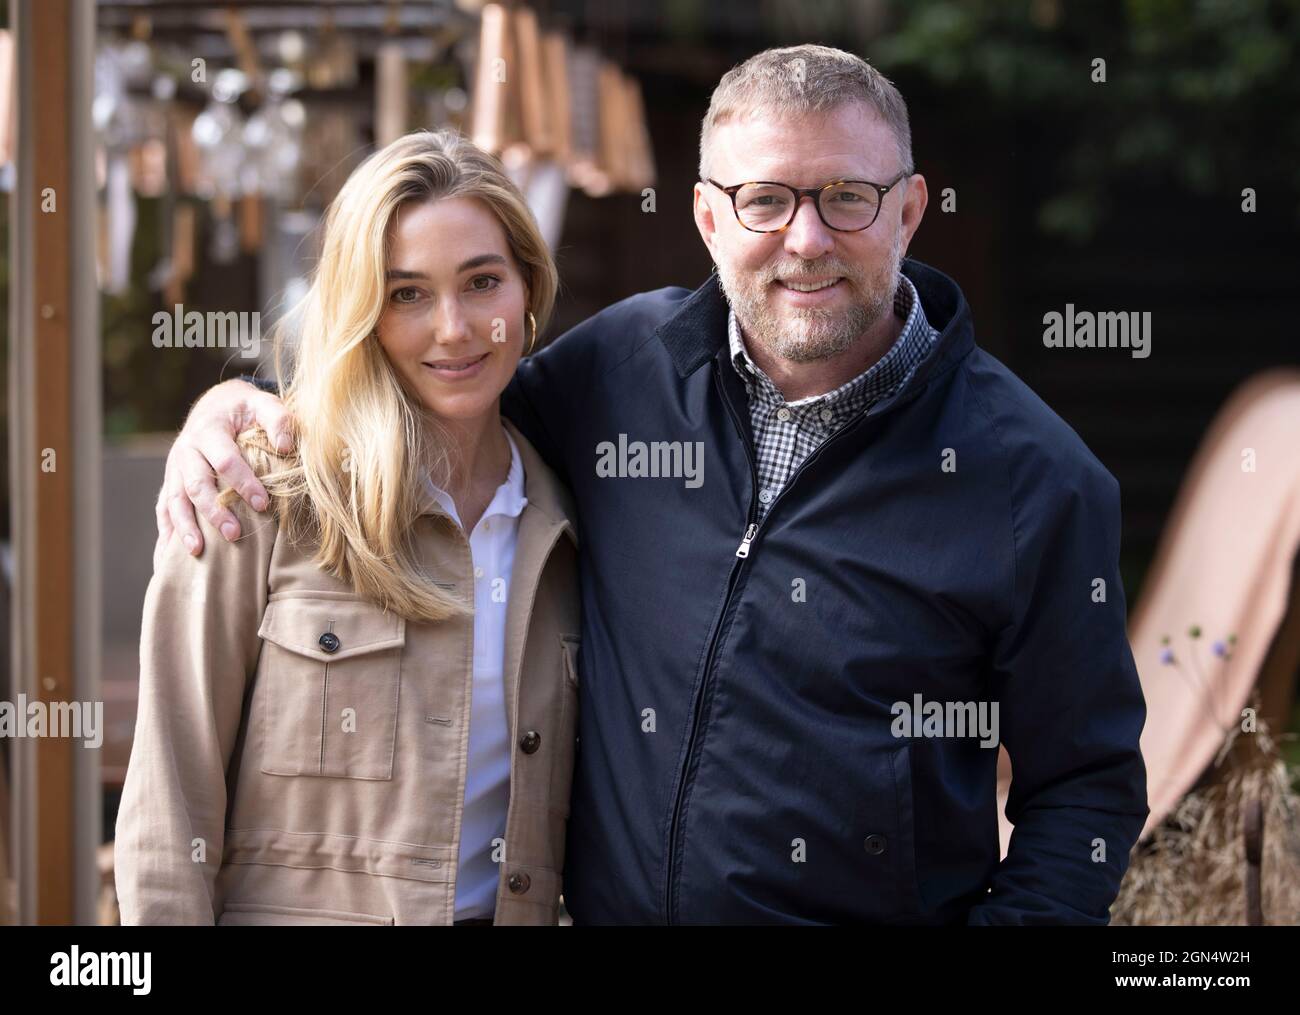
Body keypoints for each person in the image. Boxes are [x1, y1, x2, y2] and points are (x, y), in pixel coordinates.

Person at [156, 45, 1149, 925]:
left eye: (845, 196)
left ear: (908, 209)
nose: (806, 240)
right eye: (765, 199)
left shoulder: (1032, 477)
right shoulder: (621, 370)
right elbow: (430, 373)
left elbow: (1087, 788)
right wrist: (243, 405)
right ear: (709, 217)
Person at [116, 130, 580, 926]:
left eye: (482, 282)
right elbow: (169, 801)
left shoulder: (569, 525)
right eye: (406, 293)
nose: (454, 327)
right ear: (360, 308)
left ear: (527, 290)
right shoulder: (260, 492)